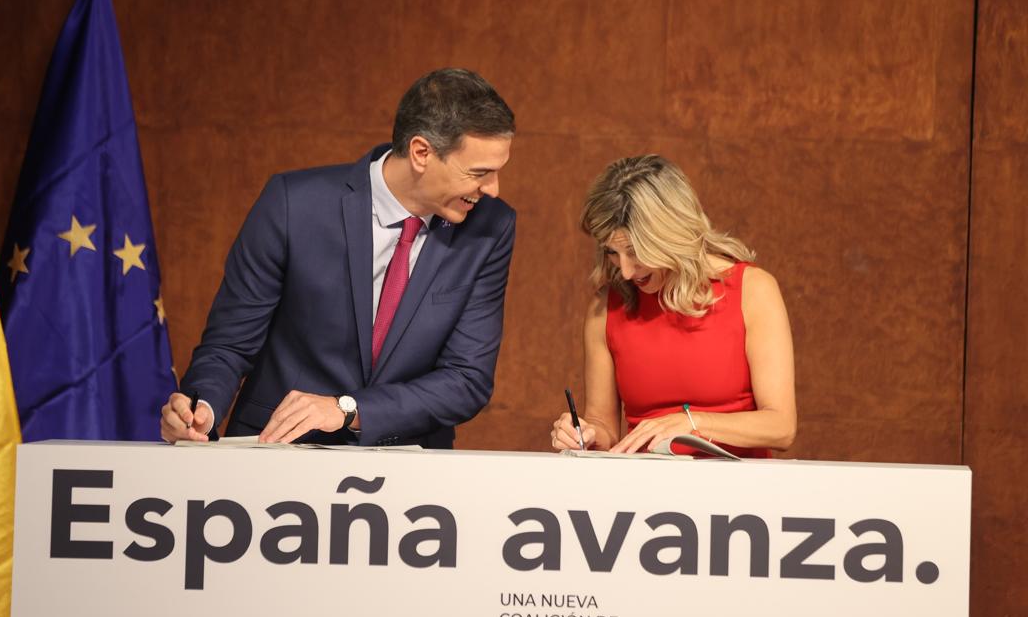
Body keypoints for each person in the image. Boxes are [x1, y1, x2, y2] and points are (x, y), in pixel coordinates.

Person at [161, 68, 516, 447]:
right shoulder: (293, 204)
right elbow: (229, 344)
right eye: (479, 173)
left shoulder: (490, 228)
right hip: (276, 455)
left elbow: (466, 378)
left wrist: (349, 409)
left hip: (408, 470)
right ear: (421, 152)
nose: (493, 189)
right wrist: (201, 410)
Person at [551, 155, 796, 457]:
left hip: (738, 497)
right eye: (612, 253)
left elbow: (781, 426)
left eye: (636, 251)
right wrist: (585, 435)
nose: (625, 271)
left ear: (671, 235)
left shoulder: (753, 290)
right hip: (648, 498)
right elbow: (605, 428)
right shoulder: (605, 309)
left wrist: (691, 423)